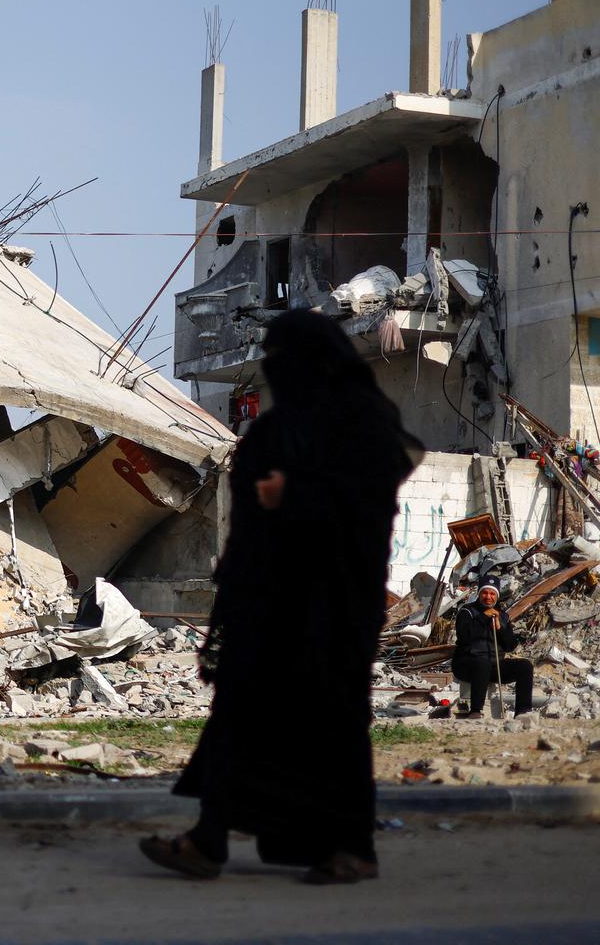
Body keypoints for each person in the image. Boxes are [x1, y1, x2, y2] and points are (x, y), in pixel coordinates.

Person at [139, 310, 422, 886]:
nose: (273, 367)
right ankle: (207, 839)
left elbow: (363, 505)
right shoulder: (285, 424)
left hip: (332, 606)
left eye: (282, 356)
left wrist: (295, 494)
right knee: (239, 718)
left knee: (332, 724)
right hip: (267, 602)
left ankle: (351, 848)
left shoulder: (363, 422)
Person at [451, 580, 533, 717]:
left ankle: (523, 712)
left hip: (494, 664)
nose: (488, 597)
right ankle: (476, 710)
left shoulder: (502, 616)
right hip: (467, 664)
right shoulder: (467, 612)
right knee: (482, 664)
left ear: (497, 596)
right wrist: (483, 618)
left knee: (525, 666)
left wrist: (501, 629)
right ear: (479, 594)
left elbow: (510, 646)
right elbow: (465, 637)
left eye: (492, 594)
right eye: (485, 593)